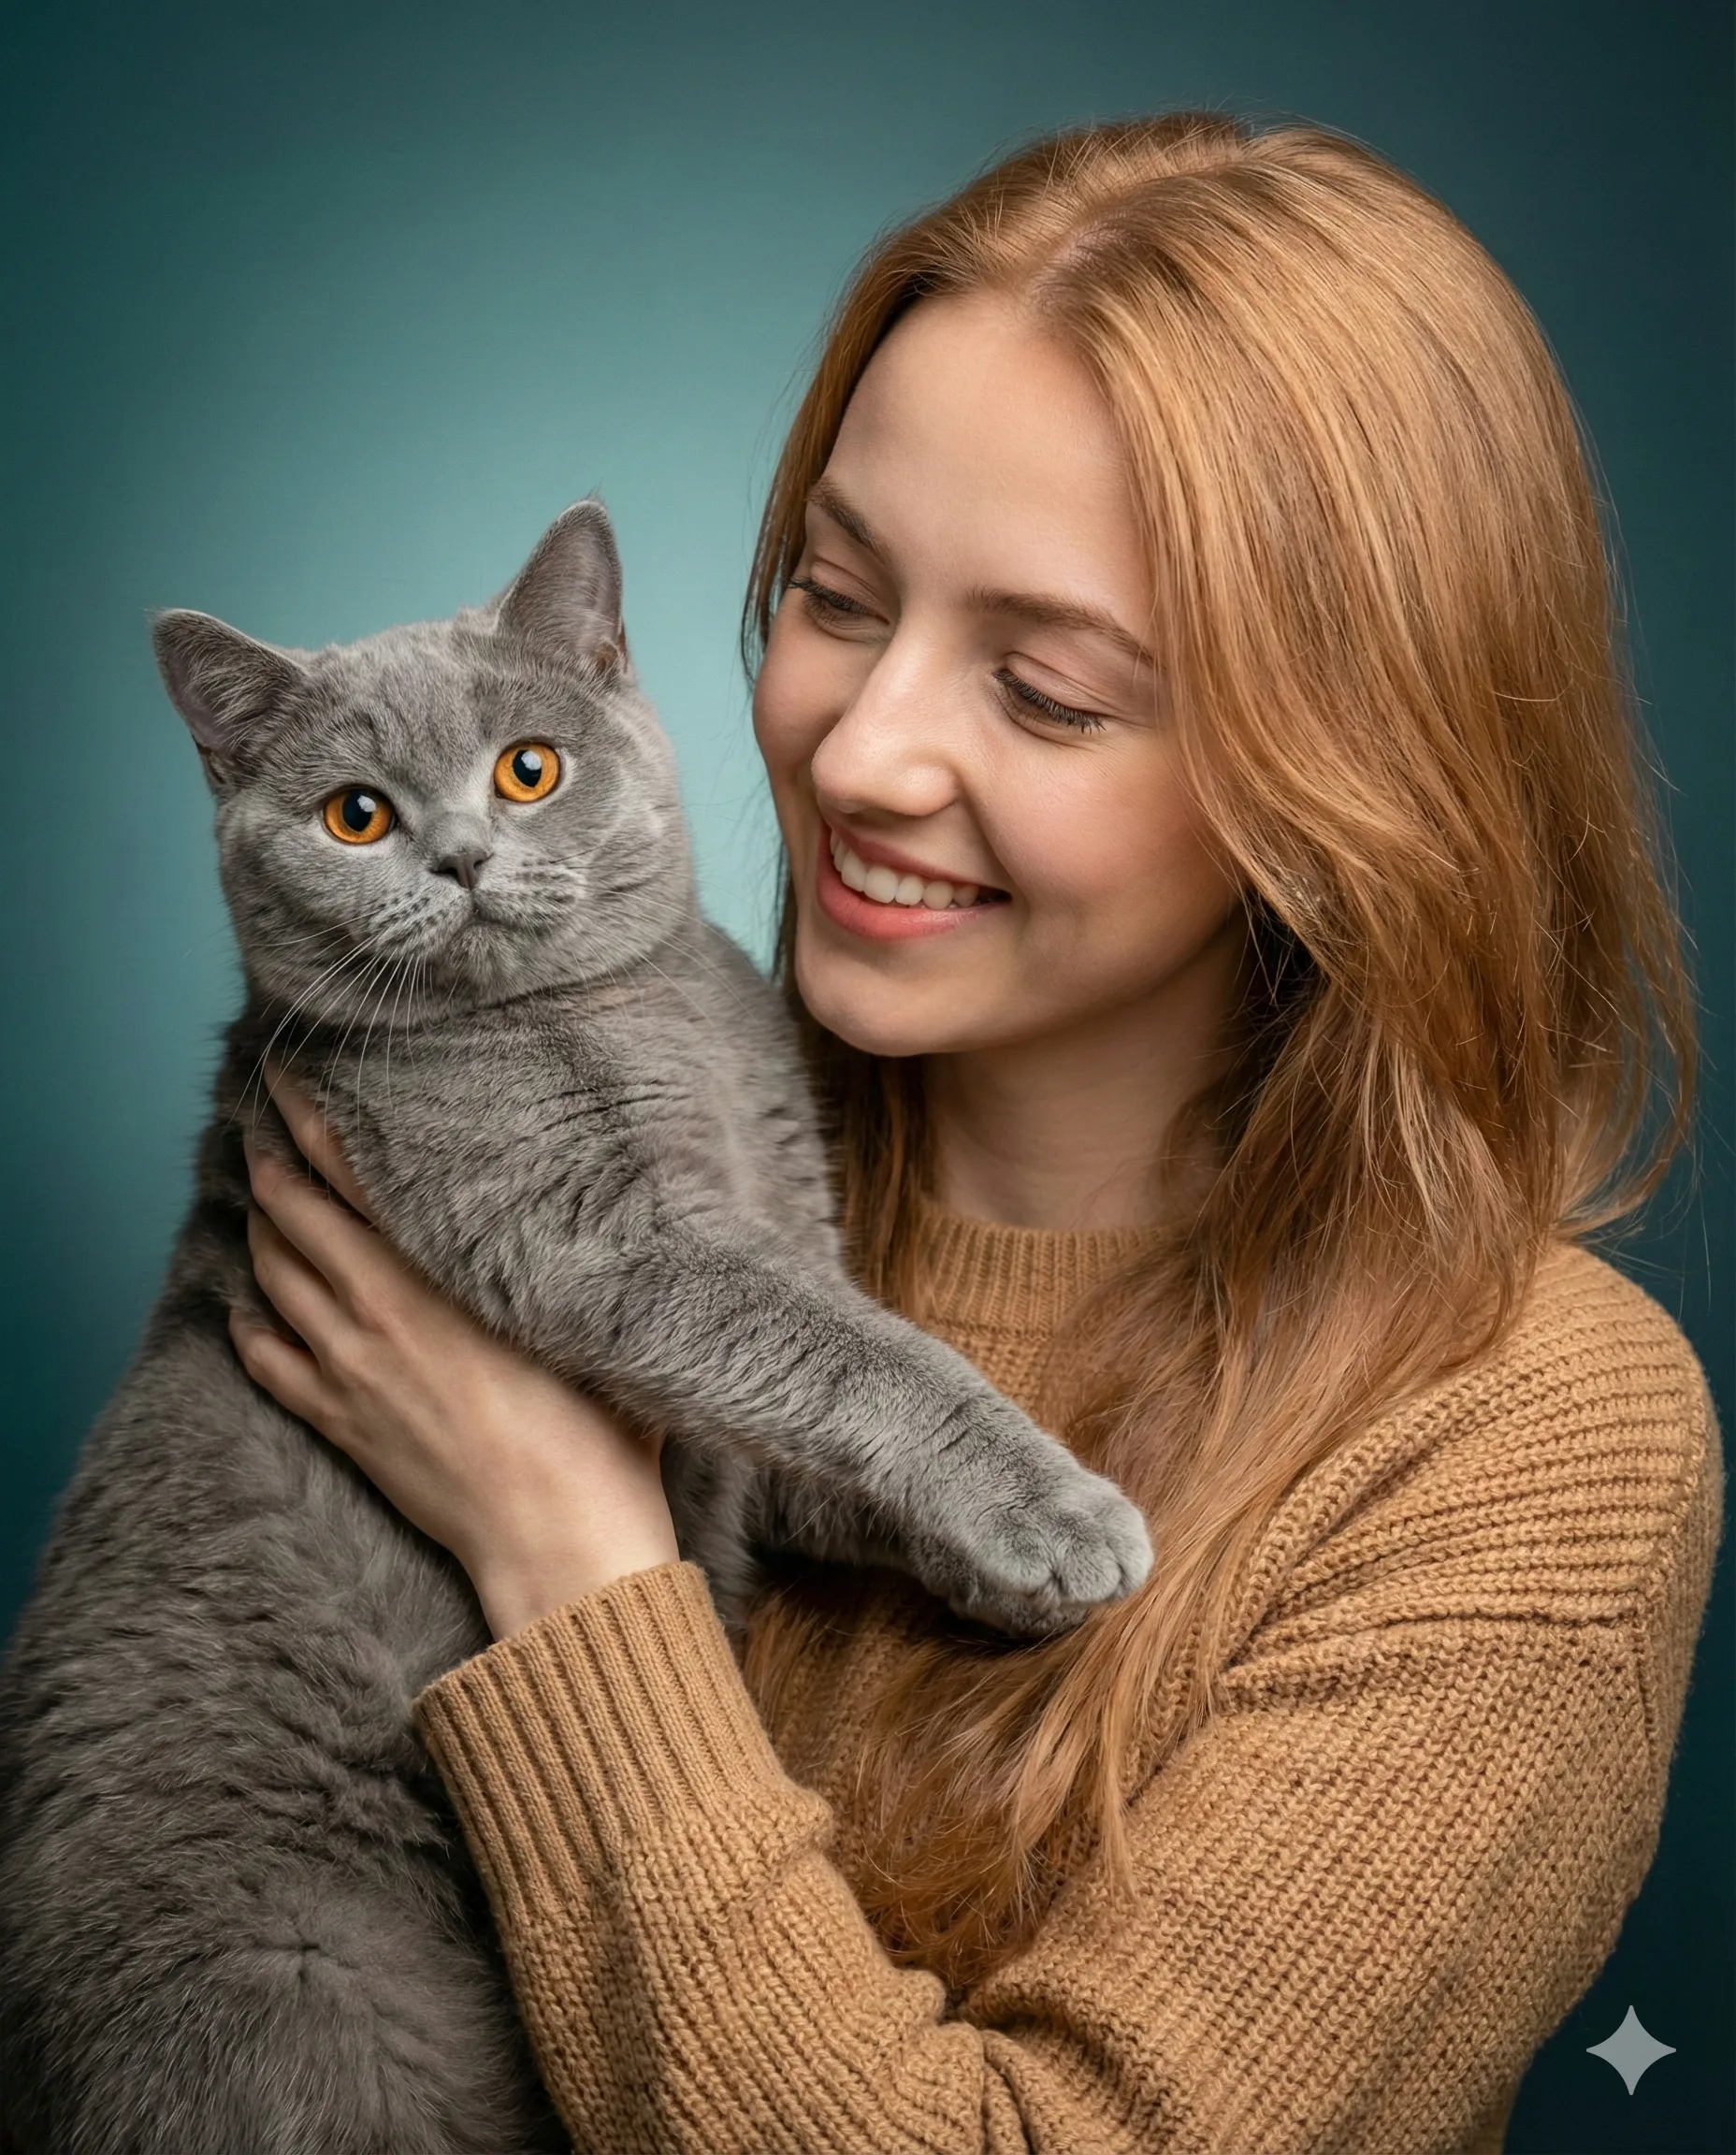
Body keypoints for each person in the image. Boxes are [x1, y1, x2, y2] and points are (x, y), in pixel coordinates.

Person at [230, 111, 1723, 2153]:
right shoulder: (554, 1173)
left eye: (1042, 689)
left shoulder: (1523, 1438)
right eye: (836, 596)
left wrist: (568, 1556)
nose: (857, 750)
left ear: (1344, 774)